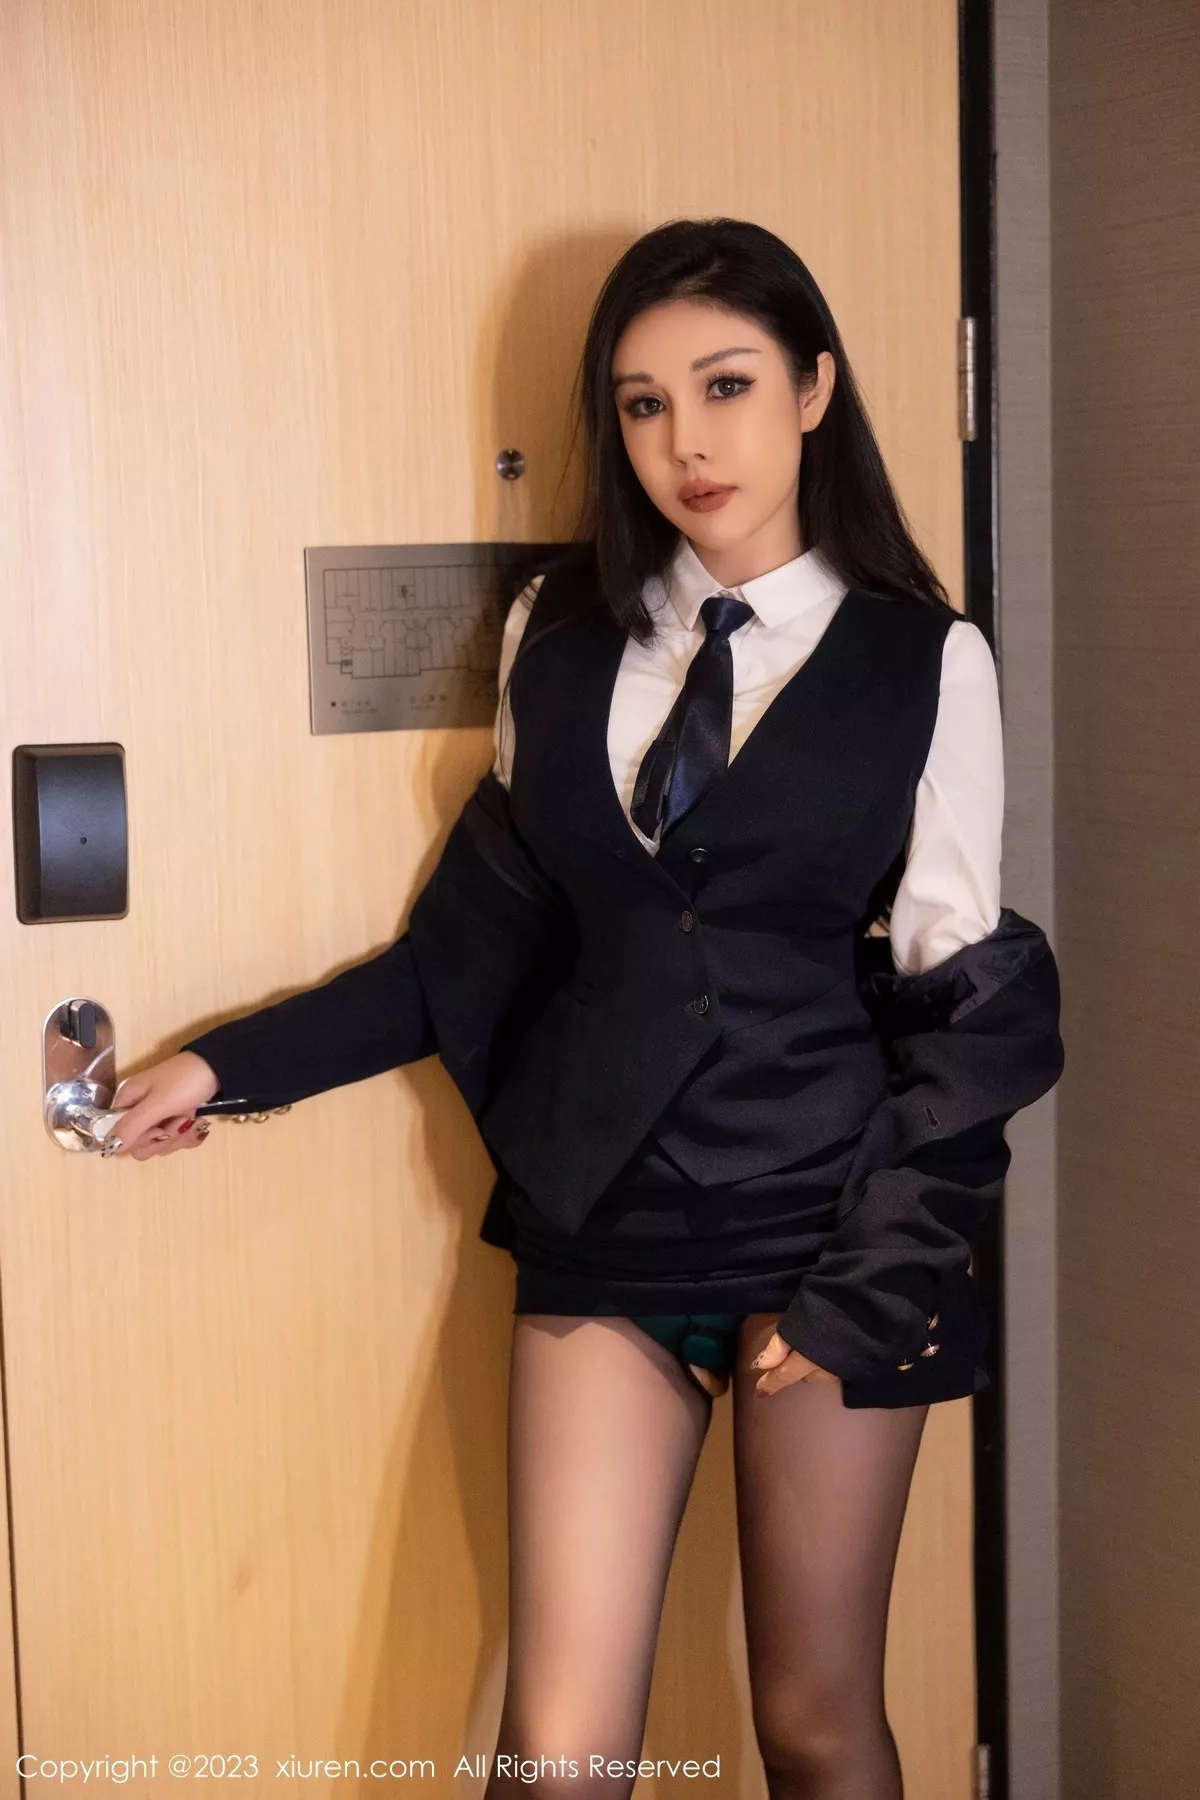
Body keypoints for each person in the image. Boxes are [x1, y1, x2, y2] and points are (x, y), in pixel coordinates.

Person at [108, 218, 1064, 1799]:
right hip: (604, 1220)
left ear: (814, 389)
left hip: (835, 1228)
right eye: (642, 403)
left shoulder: (927, 659)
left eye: (727, 385)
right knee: (558, 1755)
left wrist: (871, 1280)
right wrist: (224, 1067)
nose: (687, 442)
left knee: (818, 1725)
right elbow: (462, 956)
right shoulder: (555, 636)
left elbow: (969, 1019)